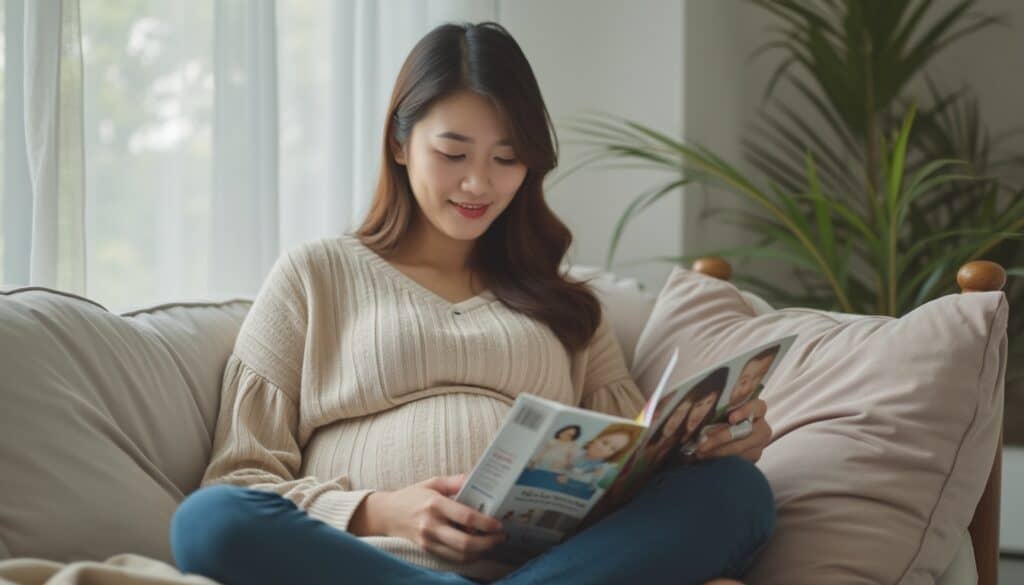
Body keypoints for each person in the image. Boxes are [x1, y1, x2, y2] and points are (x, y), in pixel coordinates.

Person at [169, 21, 774, 585]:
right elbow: (240, 479)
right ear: (400, 145)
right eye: (453, 154)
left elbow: (623, 486)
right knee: (209, 520)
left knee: (737, 492)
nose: (479, 184)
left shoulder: (568, 306)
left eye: (506, 158)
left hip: (557, 566)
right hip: (371, 566)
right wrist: (379, 513)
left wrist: (703, 445)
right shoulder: (316, 274)